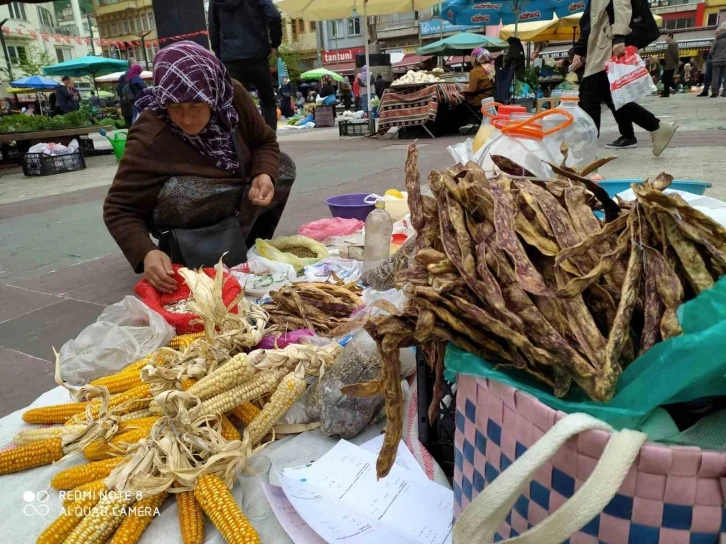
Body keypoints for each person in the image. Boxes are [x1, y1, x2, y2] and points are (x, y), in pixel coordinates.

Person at [103, 41, 294, 292]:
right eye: (175, 106)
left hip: (235, 190)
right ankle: (189, 249)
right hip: (188, 205)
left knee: (283, 167)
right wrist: (146, 252)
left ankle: (247, 243)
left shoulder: (232, 96)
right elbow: (118, 207)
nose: (186, 117)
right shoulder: (151, 136)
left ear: (213, 96)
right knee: (189, 191)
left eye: (195, 104)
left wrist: (263, 172)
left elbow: (264, 140)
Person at [572, 0, 677, 155]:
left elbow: (622, 5)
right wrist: (579, 50)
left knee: (590, 95)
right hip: (599, 45)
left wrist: (619, 37)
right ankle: (657, 127)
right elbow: (589, 20)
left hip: (606, 44)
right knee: (611, 97)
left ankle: (588, 147)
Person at [209, 0, 282, 131]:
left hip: (230, 57)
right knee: (267, 101)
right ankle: (268, 141)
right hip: (258, 55)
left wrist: (221, 55)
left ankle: (241, 144)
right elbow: (274, 15)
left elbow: (213, 29)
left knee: (234, 104)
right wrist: (274, 43)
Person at [120, 62, 147, 127]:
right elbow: (144, 86)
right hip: (139, 98)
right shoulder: (136, 77)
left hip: (133, 99)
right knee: (138, 114)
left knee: (135, 114)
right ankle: (137, 128)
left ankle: (133, 129)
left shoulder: (130, 77)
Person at [709, 23, 726, 97]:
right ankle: (725, 92)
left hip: (716, 60)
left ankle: (714, 93)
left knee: (715, 76)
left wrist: (712, 56)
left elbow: (711, 50)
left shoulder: (718, 38)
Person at [662, 33, 680, 97]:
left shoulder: (672, 44)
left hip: (671, 65)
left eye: (666, 37)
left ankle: (675, 86)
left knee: (664, 78)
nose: (665, 38)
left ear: (670, 37)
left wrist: (677, 62)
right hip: (669, 64)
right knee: (667, 78)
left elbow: (675, 54)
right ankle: (666, 93)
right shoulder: (671, 44)